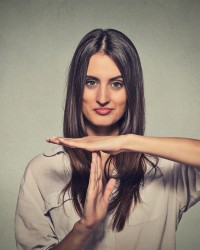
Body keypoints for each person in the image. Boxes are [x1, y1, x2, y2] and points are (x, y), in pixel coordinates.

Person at [15, 29, 200, 250]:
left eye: (117, 84)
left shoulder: (167, 168)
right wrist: (83, 227)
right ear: (76, 88)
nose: (103, 98)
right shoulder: (42, 171)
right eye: (91, 82)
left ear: (131, 91)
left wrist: (127, 142)